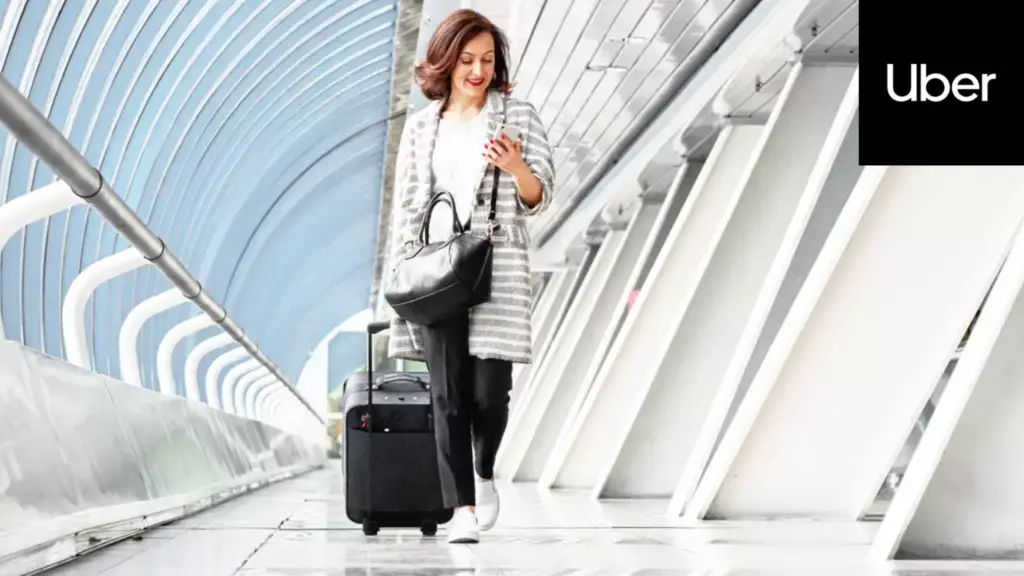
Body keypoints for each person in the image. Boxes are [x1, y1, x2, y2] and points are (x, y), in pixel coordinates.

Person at [385, 8, 554, 544]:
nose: (477, 71)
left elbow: (539, 196)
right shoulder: (420, 127)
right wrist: (402, 269)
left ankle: (484, 476)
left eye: (486, 60)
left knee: (488, 395)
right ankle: (459, 509)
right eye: (466, 60)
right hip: (437, 271)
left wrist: (516, 169)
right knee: (448, 395)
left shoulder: (518, 118)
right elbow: (408, 204)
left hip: (494, 264)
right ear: (446, 61)